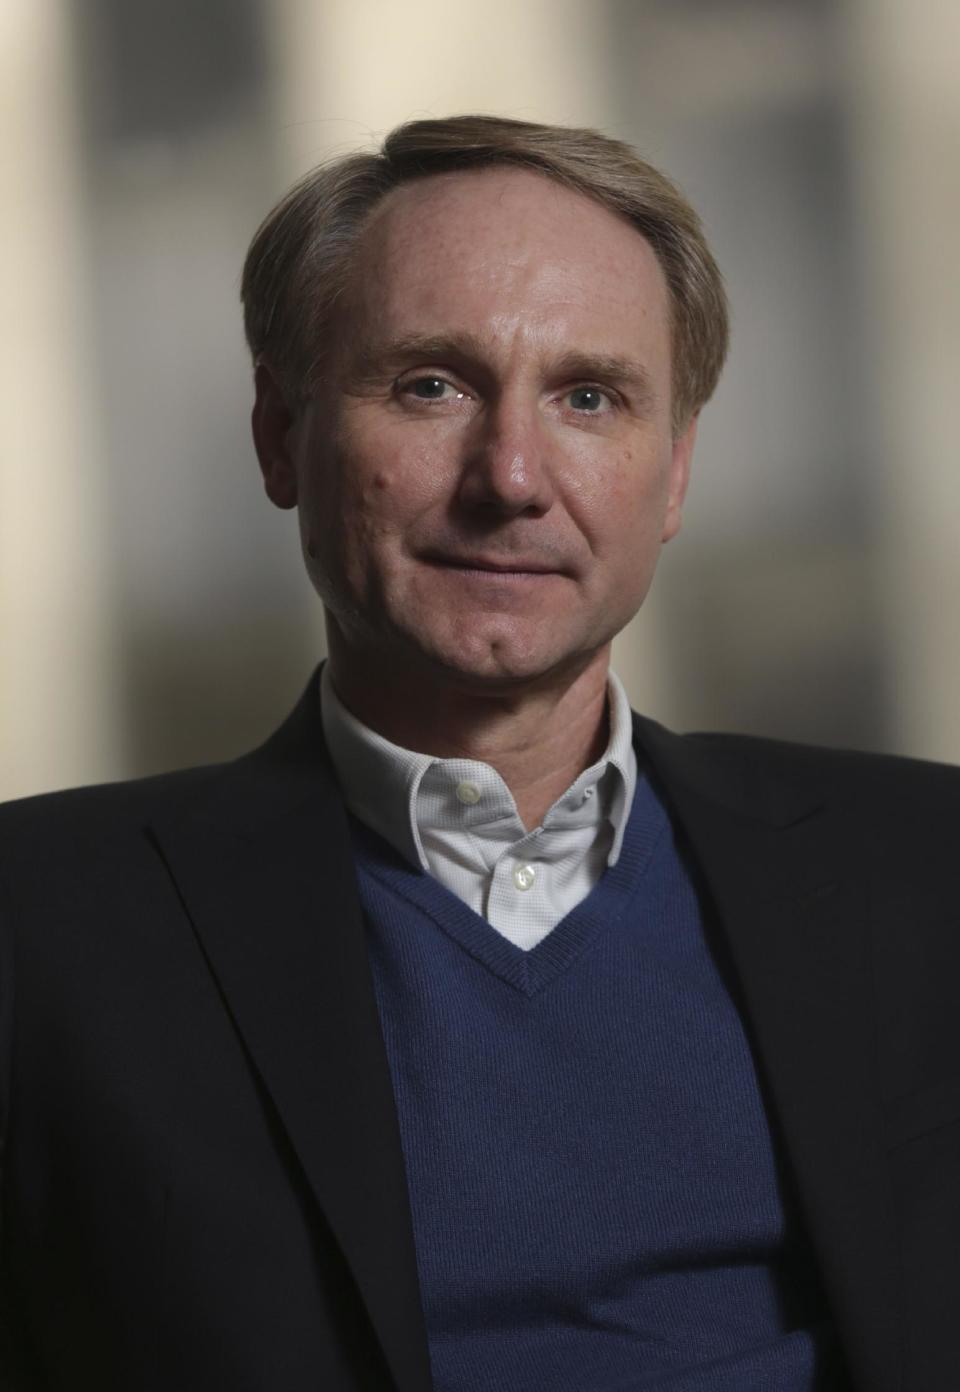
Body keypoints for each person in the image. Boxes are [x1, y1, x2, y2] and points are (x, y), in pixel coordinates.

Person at [0, 114, 957, 1392]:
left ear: (671, 476)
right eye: (430, 385)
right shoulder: (42, 922)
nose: (511, 475)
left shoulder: (928, 872)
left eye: (589, 397)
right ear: (280, 437)